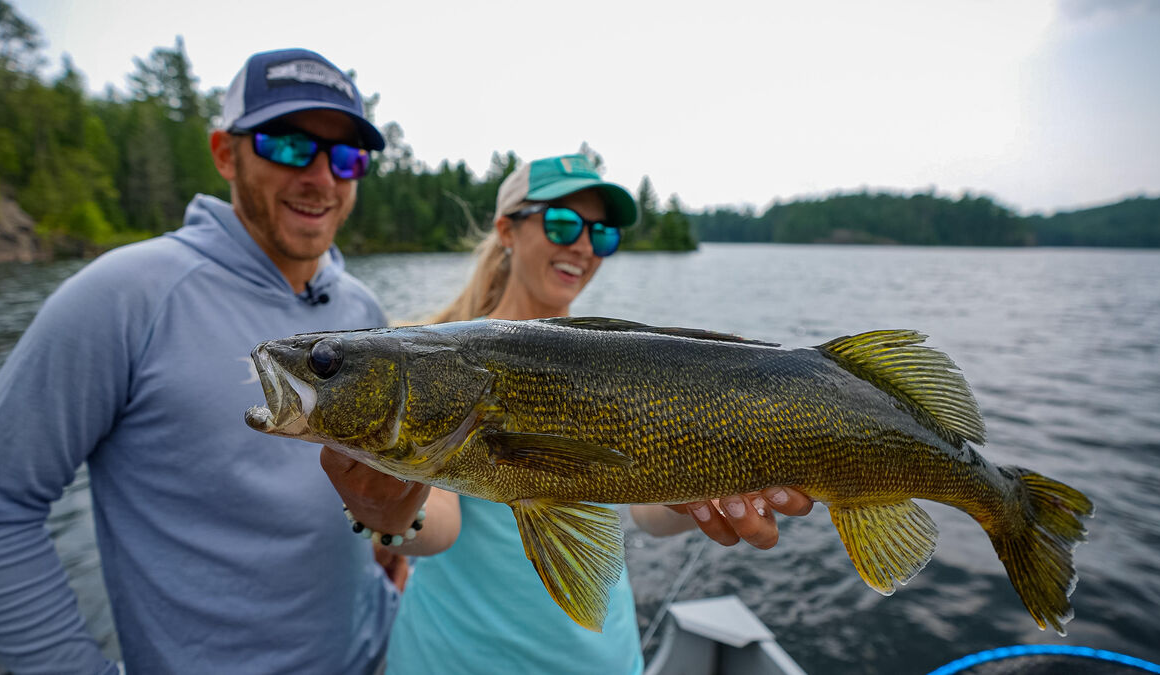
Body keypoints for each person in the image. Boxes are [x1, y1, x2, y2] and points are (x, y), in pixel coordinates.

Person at [0, 48, 418, 674]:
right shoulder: (124, 295)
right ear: (224, 153)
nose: (321, 177)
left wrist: (388, 537)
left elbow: (364, 504)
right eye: (289, 146)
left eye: (347, 157)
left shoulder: (360, 307)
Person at [321, 154, 814, 674]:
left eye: (601, 234)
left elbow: (644, 511)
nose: (582, 245)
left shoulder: (616, 361)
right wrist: (390, 514)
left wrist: (694, 496)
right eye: (562, 223)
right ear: (507, 230)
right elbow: (441, 524)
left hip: (606, 657)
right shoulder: (430, 363)